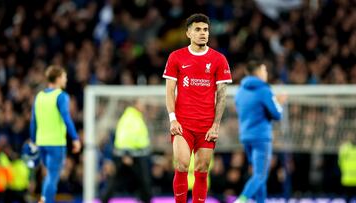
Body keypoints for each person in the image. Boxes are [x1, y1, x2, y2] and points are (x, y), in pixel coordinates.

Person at [163, 13, 232, 203]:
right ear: (188, 33)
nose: (203, 33)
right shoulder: (176, 57)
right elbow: (169, 91)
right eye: (198, 29)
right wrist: (172, 118)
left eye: (205, 30)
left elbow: (222, 95)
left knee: (202, 169)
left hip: (206, 125)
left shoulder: (219, 59)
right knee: (182, 165)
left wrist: (216, 125)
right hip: (182, 124)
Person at [233, 60, 286, 203]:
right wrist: (279, 103)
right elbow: (277, 114)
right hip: (261, 138)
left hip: (246, 137)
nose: (266, 73)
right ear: (257, 72)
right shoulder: (264, 90)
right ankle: (241, 200)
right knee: (260, 175)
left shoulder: (240, 91)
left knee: (258, 174)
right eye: (264, 70)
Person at [30, 65, 81, 203]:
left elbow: (33, 121)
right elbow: (66, 117)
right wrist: (75, 138)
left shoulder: (39, 96)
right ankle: (45, 201)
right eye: (64, 76)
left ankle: (45, 199)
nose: (66, 79)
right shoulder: (61, 96)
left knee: (49, 177)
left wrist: (33, 140)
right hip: (56, 143)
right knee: (52, 177)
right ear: (58, 78)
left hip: (41, 143)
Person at [101, 99, 152, 203]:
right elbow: (124, 138)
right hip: (130, 155)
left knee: (139, 181)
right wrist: (126, 154)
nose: (144, 106)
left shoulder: (135, 117)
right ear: (136, 105)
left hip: (137, 154)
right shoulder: (130, 118)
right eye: (141, 104)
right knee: (142, 181)